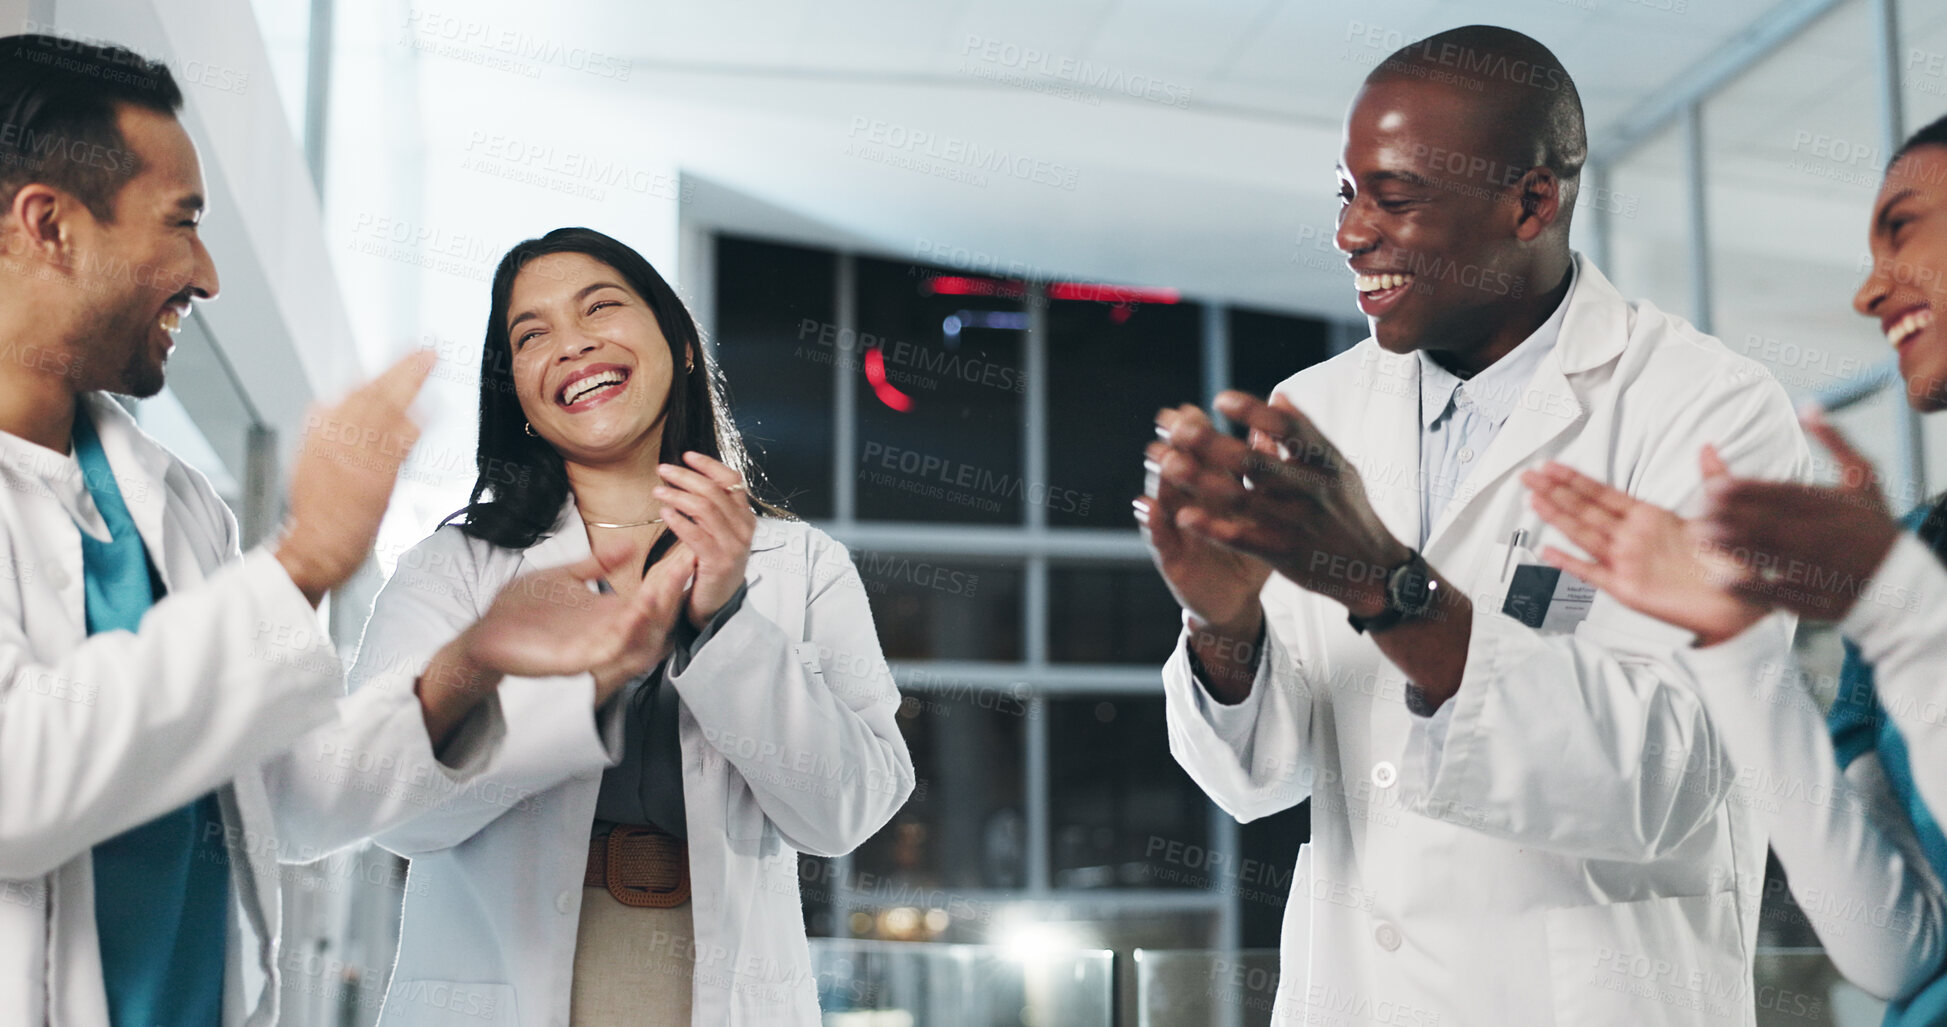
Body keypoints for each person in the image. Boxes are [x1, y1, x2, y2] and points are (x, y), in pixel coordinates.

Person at [0, 35, 688, 1027]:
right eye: (182, 222)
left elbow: (276, 802)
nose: (207, 272)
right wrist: (305, 560)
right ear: (48, 225)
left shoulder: (173, 502)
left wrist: (469, 664)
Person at [1139, 25, 1810, 1026]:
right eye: (1344, 192)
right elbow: (1261, 781)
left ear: (1531, 201)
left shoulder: (1712, 411)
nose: (1350, 234)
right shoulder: (1318, 407)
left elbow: (1672, 777)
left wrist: (1385, 586)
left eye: (1394, 197)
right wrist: (1225, 627)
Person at [326, 227, 913, 1027]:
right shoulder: (453, 567)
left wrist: (725, 624)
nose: (571, 345)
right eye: (531, 335)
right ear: (519, 398)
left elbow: (843, 812)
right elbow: (388, 807)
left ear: (681, 343)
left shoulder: (800, 562)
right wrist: (512, 669)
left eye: (598, 307)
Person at [1523, 112, 1947, 1024]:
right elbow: (1893, 948)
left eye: (1902, 228)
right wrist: (1733, 645)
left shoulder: (1899, 575)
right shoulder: (1916, 550)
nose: (1868, 291)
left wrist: (1897, 604)